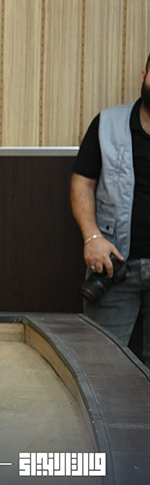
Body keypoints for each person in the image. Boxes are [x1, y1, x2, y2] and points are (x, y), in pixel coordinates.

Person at [70, 53, 150, 367]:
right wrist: (92, 238)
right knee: (100, 364)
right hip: (114, 264)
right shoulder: (107, 123)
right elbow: (82, 183)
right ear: (144, 75)